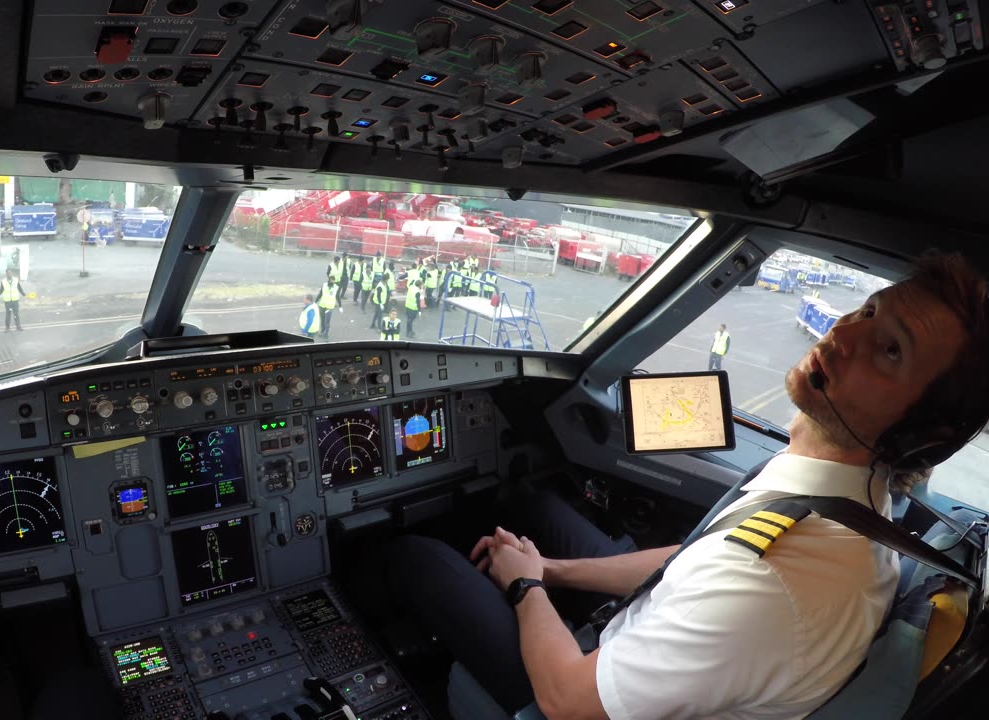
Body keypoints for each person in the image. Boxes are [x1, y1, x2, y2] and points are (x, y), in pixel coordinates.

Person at [387, 252, 989, 719]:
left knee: (416, 557)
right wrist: (552, 570)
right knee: (531, 504)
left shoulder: (772, 583)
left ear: (920, 436)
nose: (840, 333)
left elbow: (569, 703)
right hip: (660, 629)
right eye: (869, 310)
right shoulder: (856, 498)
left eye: (888, 350)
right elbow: (699, 556)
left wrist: (523, 587)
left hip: (585, 695)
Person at [316, 275, 339, 339]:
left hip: (329, 307)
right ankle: (322, 331)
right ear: (329, 280)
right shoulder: (324, 285)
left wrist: (340, 305)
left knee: (327, 322)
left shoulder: (336, 287)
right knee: (322, 320)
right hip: (322, 305)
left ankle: (326, 334)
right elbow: (320, 294)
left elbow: (337, 296)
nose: (332, 281)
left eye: (333, 280)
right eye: (331, 280)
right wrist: (315, 302)